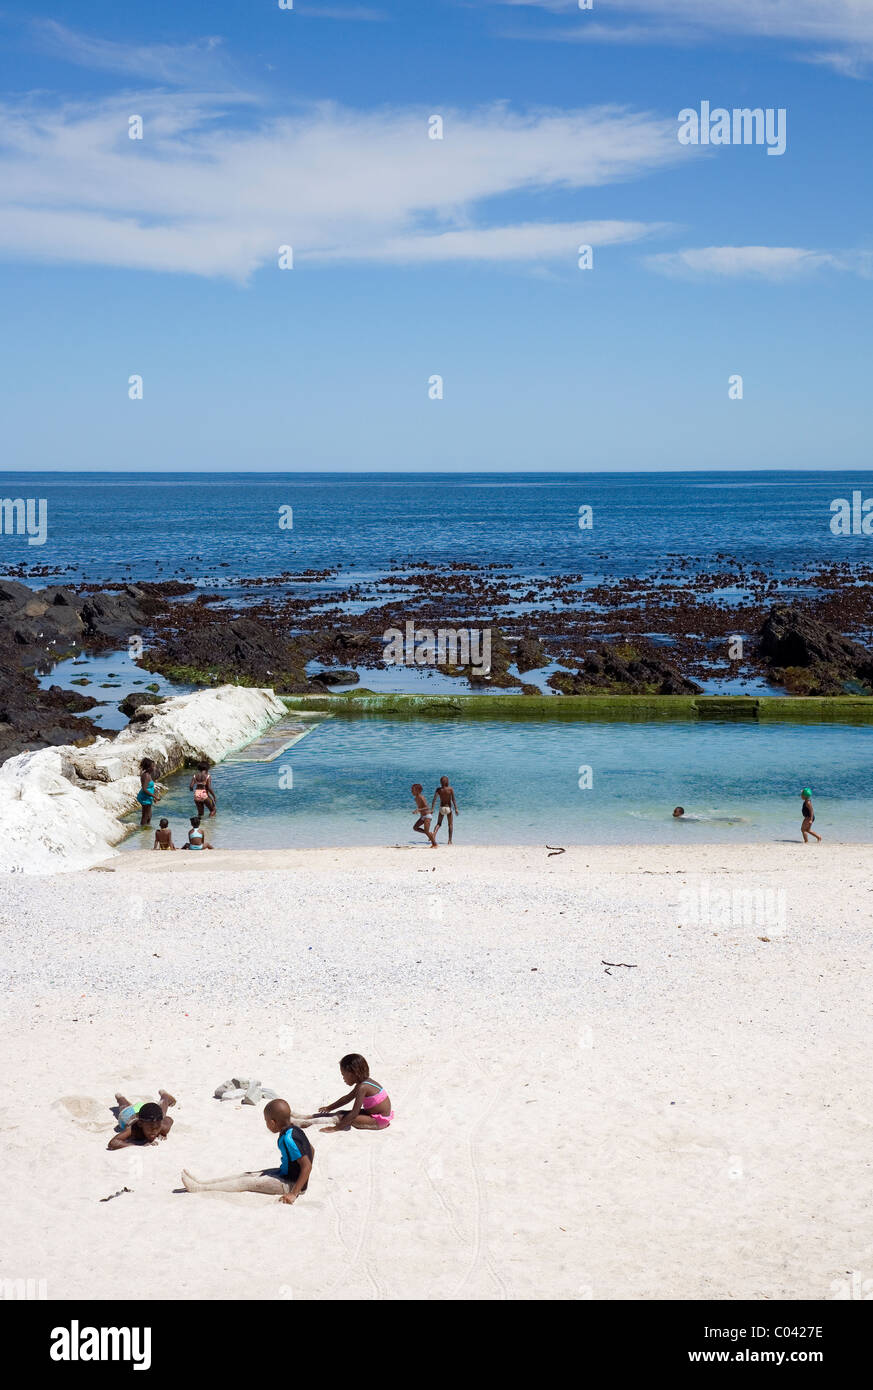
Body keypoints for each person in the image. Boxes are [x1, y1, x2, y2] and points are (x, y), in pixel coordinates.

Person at [181, 1099, 313, 1204]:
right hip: (285, 1173)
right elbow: (311, 1149)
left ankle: (199, 1188)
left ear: (273, 1123)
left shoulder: (289, 1139)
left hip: (290, 1184)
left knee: (246, 1183)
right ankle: (203, 1182)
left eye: (266, 1121)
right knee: (247, 1175)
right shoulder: (295, 1130)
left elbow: (307, 1166)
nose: (266, 1124)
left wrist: (294, 1193)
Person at [317, 1053, 394, 1131]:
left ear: (352, 1074)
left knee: (342, 1117)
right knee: (342, 1112)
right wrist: (329, 1108)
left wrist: (336, 1128)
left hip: (379, 1121)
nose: (343, 1078)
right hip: (375, 1115)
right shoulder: (364, 1083)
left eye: (343, 1075)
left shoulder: (362, 1087)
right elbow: (347, 1099)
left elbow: (354, 1113)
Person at [108, 1089, 176, 1149]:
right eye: (150, 1128)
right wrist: (136, 1145)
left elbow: (169, 1120)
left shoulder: (162, 1126)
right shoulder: (132, 1129)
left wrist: (164, 1133)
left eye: (157, 1128)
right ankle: (120, 1097)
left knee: (162, 1114)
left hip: (146, 1112)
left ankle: (164, 1096)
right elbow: (113, 1143)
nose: (154, 1131)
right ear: (140, 1124)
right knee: (124, 1106)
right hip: (129, 1113)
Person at [431, 776, 459, 843]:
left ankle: (434, 834)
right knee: (450, 825)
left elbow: (434, 800)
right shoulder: (450, 789)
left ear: (441, 782)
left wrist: (432, 809)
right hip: (448, 808)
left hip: (442, 808)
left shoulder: (438, 789)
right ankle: (449, 840)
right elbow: (453, 800)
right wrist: (456, 809)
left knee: (439, 823)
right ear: (447, 782)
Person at [411, 783, 437, 847]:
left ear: (418, 791)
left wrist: (418, 810)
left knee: (426, 831)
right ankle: (430, 834)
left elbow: (427, 807)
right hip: (422, 816)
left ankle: (434, 844)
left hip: (427, 816)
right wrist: (417, 811)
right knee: (415, 828)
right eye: (411, 790)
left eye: (412, 790)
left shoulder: (421, 797)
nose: (411, 791)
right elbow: (421, 807)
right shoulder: (416, 798)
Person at [137, 758, 158, 827]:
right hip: (145, 797)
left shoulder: (148, 774)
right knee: (146, 815)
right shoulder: (146, 776)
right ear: (149, 767)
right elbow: (144, 789)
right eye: (153, 766)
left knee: (149, 815)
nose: (154, 768)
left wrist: (153, 797)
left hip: (148, 797)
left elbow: (150, 787)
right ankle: (143, 829)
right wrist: (154, 796)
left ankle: (147, 832)